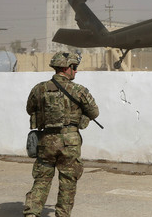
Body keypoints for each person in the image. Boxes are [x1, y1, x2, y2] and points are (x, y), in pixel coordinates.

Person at [23, 52, 99, 217]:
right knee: (68, 183)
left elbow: (30, 109)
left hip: (46, 141)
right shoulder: (79, 90)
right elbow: (94, 112)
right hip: (70, 143)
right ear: (67, 68)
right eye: (75, 67)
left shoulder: (39, 89)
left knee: (42, 180)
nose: (76, 71)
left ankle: (31, 214)